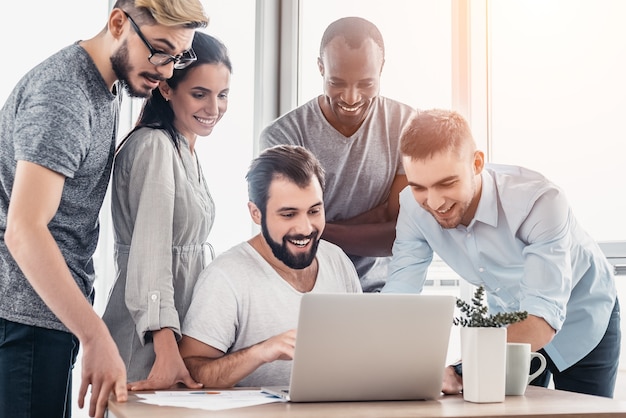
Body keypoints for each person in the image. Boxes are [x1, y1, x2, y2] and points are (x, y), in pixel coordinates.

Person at [0, 1, 208, 417]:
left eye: (177, 57)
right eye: (160, 50)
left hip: (45, 318)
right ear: (118, 23)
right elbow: (24, 230)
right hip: (24, 318)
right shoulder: (64, 96)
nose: (167, 69)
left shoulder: (102, 88)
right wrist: (96, 337)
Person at [382, 109, 620, 398]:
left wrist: (461, 369)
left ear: (477, 163)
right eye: (419, 186)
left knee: (584, 415)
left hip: (582, 313)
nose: (433, 202)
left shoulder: (539, 200)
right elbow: (398, 295)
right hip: (508, 321)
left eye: (447, 183)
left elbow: (541, 317)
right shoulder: (412, 207)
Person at [102, 32, 231, 392]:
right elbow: (151, 256)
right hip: (150, 345)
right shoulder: (155, 147)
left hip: (178, 337)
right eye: (199, 94)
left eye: (222, 95)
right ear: (166, 89)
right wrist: (166, 348)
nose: (214, 108)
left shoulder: (185, 146)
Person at [178, 145, 362, 387]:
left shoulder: (336, 260)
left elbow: (361, 348)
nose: (305, 228)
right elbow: (191, 370)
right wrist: (260, 352)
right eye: (288, 214)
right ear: (256, 213)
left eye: (314, 210)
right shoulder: (226, 276)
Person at [259, 17, 414, 292]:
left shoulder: (405, 125)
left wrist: (316, 227)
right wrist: (376, 216)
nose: (351, 98)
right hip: (302, 292)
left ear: (382, 69)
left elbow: (401, 234)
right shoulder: (283, 137)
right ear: (320, 67)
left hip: (382, 292)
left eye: (366, 84)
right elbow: (288, 234)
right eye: (337, 82)